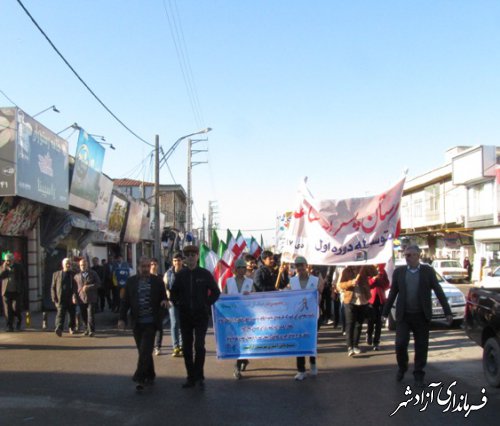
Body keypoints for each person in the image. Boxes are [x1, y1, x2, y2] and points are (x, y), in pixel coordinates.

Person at [382, 245, 453, 387]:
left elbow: (439, 291)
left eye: (409, 255)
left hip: (421, 316)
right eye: (405, 255)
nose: (406, 257)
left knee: (421, 346)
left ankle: (419, 374)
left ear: (417, 256)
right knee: (400, 344)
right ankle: (402, 367)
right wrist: (385, 313)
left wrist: (447, 312)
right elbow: (393, 293)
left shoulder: (428, 271)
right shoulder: (399, 272)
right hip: (404, 316)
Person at [170, 245, 221, 389]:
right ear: (185, 258)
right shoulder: (181, 275)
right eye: (188, 255)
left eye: (193, 255)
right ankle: (190, 377)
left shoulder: (204, 274)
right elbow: (173, 293)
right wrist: (178, 304)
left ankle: (199, 376)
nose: (191, 257)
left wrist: (206, 304)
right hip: (185, 316)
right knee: (186, 348)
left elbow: (216, 292)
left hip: (201, 316)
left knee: (199, 346)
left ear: (198, 257)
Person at [118, 256, 168, 391]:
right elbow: (125, 302)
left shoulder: (157, 281)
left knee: (145, 350)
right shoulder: (131, 282)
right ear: (139, 267)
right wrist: (121, 319)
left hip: (151, 323)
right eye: (143, 266)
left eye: (147, 266)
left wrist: (164, 301)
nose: (146, 269)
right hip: (137, 323)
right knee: (143, 351)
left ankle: (139, 377)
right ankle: (150, 375)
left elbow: (164, 297)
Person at [287, 256, 323, 381]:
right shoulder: (292, 281)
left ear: (306, 266)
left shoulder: (316, 279)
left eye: (302, 265)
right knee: (299, 343)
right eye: (297, 266)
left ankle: (313, 364)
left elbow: (319, 296)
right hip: (297, 318)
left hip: (312, 317)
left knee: (311, 341)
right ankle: (301, 370)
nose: (300, 268)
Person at [223, 258, 255, 379]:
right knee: (236, 340)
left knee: (245, 340)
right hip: (233, 317)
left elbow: (256, 298)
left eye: (243, 268)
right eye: (239, 268)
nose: (241, 270)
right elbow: (223, 297)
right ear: (235, 270)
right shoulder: (229, 281)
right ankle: (237, 366)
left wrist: (250, 295)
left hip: (246, 316)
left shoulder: (250, 282)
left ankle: (244, 359)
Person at [338, 265, 374, 356]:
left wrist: (369, 263)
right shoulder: (346, 271)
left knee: (359, 324)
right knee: (350, 324)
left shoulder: (364, 268)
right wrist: (350, 283)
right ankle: (350, 347)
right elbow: (341, 285)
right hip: (350, 300)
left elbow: (374, 273)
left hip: (362, 300)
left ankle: (355, 345)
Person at [163, 251, 185, 357]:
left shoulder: (186, 272)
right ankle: (175, 346)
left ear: (182, 261)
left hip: (184, 302)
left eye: (179, 260)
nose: (177, 262)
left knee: (183, 324)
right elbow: (164, 287)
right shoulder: (168, 273)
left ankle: (182, 346)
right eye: (175, 260)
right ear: (172, 261)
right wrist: (166, 299)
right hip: (172, 302)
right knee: (175, 324)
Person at [74, 258, 101, 337]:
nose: (83, 266)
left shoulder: (93, 273)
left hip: (91, 298)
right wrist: (74, 297)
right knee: (83, 315)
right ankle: (86, 329)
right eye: (81, 265)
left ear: (87, 265)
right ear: (79, 266)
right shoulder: (77, 276)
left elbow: (98, 283)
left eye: (84, 265)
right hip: (81, 298)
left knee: (90, 315)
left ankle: (91, 330)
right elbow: (75, 288)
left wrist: (89, 286)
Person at [365, 264, 390, 351]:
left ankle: (376, 342)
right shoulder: (368, 270)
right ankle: (369, 334)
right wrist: (373, 279)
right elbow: (366, 285)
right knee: (371, 320)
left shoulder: (383, 272)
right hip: (371, 299)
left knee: (379, 322)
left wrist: (380, 280)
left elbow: (387, 285)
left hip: (380, 299)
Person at [51, 258, 77, 336]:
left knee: (72, 314)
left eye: (69, 263)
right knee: (60, 314)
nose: (68, 265)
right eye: (66, 263)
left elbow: (76, 286)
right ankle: (59, 328)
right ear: (63, 265)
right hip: (61, 298)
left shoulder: (74, 274)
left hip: (71, 298)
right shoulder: (56, 274)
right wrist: (54, 297)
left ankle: (71, 327)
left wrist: (75, 295)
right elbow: (53, 287)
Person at [0, 253, 25, 332]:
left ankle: (18, 322)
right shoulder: (3, 267)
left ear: (13, 260)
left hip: (16, 291)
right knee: (8, 310)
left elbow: (23, 277)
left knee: (16, 308)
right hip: (6, 292)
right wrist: (5, 268)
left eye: (9, 260)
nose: (8, 262)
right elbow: (1, 275)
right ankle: (9, 326)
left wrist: (21, 288)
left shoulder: (18, 266)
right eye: (6, 261)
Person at [150, 258, 167, 356]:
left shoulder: (161, 278)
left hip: (158, 307)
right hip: (148, 307)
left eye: (155, 264)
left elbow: (164, 291)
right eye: (151, 264)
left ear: (157, 266)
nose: (153, 266)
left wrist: (164, 299)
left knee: (159, 328)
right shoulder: (145, 277)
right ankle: (150, 345)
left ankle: (158, 347)